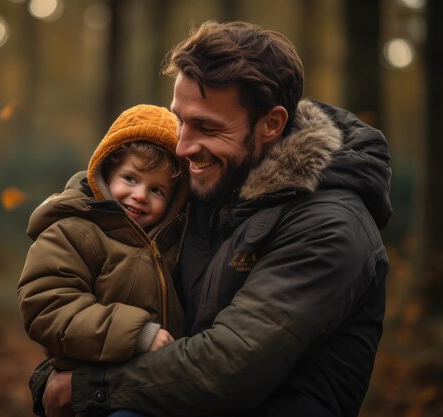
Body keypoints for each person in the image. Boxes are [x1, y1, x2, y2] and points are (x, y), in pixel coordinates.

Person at [33, 20, 392, 417]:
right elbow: (105, 285)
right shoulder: (202, 187)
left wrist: (86, 390)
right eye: (180, 120)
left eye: (206, 126)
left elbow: (229, 368)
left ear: (271, 124)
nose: (183, 146)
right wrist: (52, 377)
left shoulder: (330, 227)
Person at [17, 104, 190, 414]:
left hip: (154, 390)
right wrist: (139, 334)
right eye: (131, 179)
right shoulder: (74, 230)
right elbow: (48, 306)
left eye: (157, 190)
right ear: (107, 173)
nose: (140, 196)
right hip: (91, 393)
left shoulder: (170, 245)